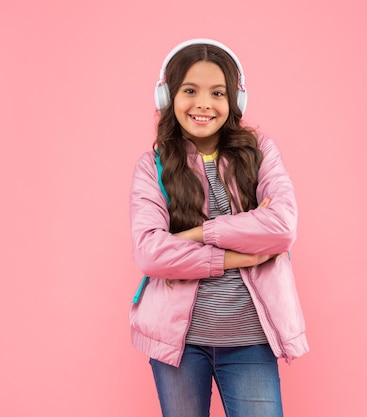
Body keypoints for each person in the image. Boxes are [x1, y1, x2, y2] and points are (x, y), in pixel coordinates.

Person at [129, 38, 309, 417]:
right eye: (190, 90)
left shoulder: (261, 153)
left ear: (235, 101)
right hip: (178, 344)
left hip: (250, 340)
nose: (204, 104)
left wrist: (197, 233)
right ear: (168, 96)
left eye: (217, 92)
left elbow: (281, 227)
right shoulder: (152, 166)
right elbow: (150, 252)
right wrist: (234, 255)